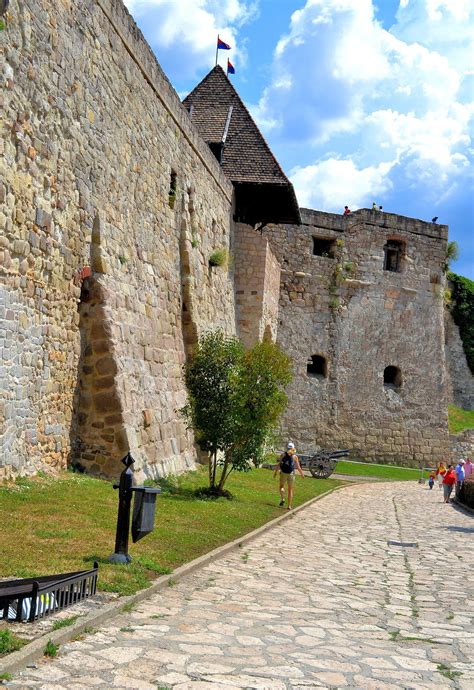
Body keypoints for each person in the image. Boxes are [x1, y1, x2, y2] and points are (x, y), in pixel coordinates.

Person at [274, 442, 305, 510]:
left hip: (283, 473)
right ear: (293, 449)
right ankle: (289, 506)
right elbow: (298, 467)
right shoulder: (295, 457)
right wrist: (302, 474)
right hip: (291, 474)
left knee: (281, 487)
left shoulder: (282, 455)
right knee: (290, 490)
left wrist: (275, 473)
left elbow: (279, 464)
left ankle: (283, 498)